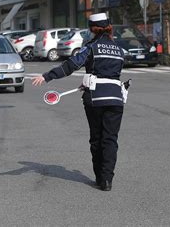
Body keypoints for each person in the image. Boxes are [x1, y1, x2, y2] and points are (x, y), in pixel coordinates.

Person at [32, 13, 125, 192]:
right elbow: (111, 73)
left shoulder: (91, 47)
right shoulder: (119, 50)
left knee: (97, 138)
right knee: (111, 139)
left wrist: (46, 77)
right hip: (116, 98)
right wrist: (89, 80)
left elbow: (70, 66)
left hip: (96, 99)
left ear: (92, 29)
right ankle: (107, 179)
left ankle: (100, 177)